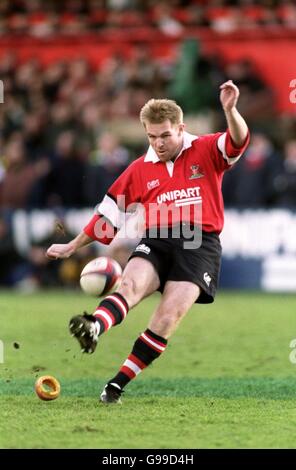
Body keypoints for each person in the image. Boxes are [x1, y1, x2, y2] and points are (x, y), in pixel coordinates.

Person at [46, 80, 249, 404]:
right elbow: (108, 217)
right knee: (129, 286)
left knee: (167, 317)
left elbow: (238, 141)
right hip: (157, 239)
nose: (159, 143)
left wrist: (230, 110)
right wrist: (72, 246)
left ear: (181, 128)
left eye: (165, 135)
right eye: (152, 136)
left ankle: (116, 385)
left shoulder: (207, 149)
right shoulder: (139, 169)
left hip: (199, 244)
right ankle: (95, 326)